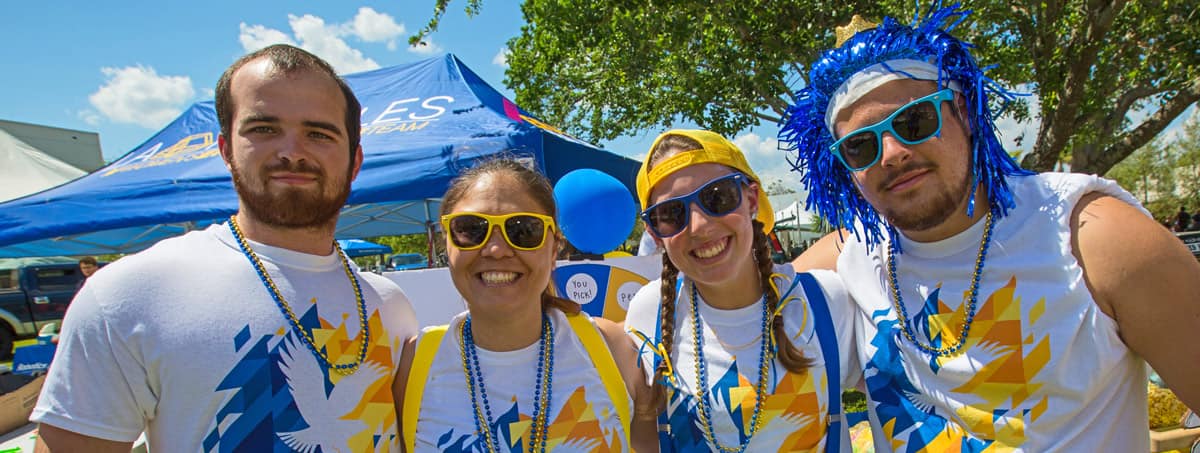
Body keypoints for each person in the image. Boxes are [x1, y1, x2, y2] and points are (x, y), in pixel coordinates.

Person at [779, 5, 1200, 451]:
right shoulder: (851, 257)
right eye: (860, 146)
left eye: (915, 121)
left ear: (962, 110)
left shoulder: (1093, 236)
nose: (892, 153)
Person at [32, 44, 419, 452]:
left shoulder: (390, 306)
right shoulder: (131, 293)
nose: (291, 152)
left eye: (319, 134)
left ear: (354, 161)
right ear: (225, 150)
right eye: (264, 129)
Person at [393, 158, 658, 452]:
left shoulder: (614, 349)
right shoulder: (413, 364)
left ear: (554, 245)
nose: (496, 249)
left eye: (523, 231)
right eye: (471, 229)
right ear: (448, 243)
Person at [624, 129, 856, 452]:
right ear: (654, 231)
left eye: (717, 197)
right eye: (672, 214)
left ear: (750, 199)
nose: (700, 226)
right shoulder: (648, 313)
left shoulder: (824, 300)